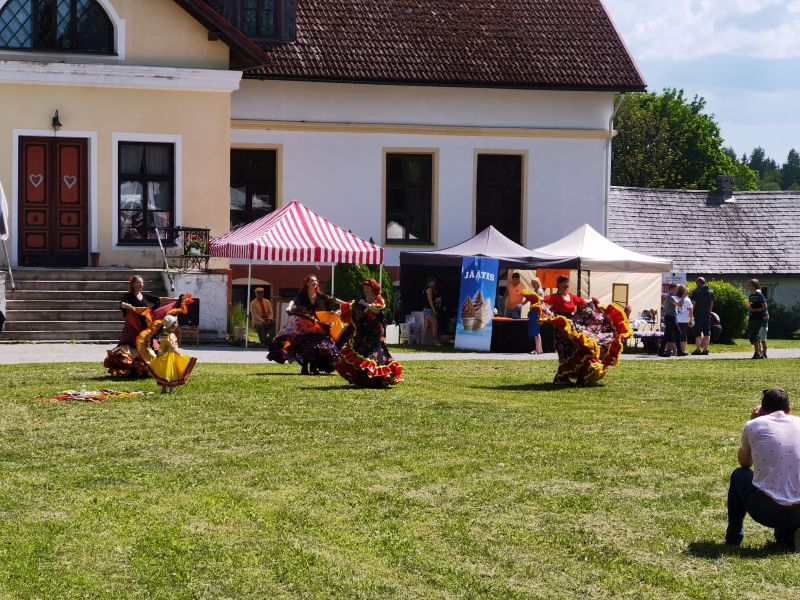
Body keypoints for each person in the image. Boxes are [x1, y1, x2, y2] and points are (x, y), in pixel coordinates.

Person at [725, 388, 800, 550]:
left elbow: (745, 463)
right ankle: (788, 537)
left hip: (768, 511)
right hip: (798, 513)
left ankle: (733, 537)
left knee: (739, 475)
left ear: (763, 410)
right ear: (789, 409)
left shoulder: (753, 425)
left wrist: (754, 422)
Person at [536, 275, 631, 385]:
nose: (566, 284)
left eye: (567, 282)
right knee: (564, 352)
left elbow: (583, 303)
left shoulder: (571, 297)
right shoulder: (554, 297)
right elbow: (542, 301)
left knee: (577, 349)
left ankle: (580, 373)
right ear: (558, 284)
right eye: (563, 282)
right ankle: (562, 377)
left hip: (571, 328)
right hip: (561, 329)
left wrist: (592, 302)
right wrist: (538, 301)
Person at [267, 275, 343, 375]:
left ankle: (313, 367)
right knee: (304, 344)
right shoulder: (303, 294)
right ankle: (304, 367)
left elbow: (332, 299)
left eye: (316, 281)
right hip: (303, 322)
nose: (315, 283)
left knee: (317, 344)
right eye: (312, 281)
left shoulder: (319, 294)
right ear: (307, 283)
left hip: (314, 322)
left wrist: (345, 303)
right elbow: (294, 300)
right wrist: (289, 307)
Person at [335, 278, 403, 388]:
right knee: (361, 353)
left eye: (368, 287)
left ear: (373, 288)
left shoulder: (378, 299)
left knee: (375, 355)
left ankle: (380, 377)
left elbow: (376, 310)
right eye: (365, 287)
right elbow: (351, 307)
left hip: (375, 332)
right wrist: (338, 303)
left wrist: (365, 304)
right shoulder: (362, 300)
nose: (366, 289)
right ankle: (364, 378)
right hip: (363, 333)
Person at [104, 275, 163, 377]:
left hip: (144, 327)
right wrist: (127, 306)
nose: (141, 284)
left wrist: (176, 300)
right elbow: (122, 304)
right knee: (131, 347)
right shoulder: (128, 296)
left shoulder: (145, 296)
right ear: (133, 284)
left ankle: (144, 369)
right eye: (139, 282)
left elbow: (159, 299)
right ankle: (131, 369)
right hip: (132, 327)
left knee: (149, 346)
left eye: (142, 282)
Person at [142, 314, 197, 393]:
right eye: (175, 323)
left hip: (172, 356)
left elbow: (175, 345)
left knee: (172, 372)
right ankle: (164, 389)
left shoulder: (172, 334)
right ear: (170, 325)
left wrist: (176, 351)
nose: (177, 325)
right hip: (166, 357)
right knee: (166, 372)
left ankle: (171, 389)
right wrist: (160, 353)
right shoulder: (165, 335)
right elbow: (162, 346)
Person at [660, 283, 686, 357]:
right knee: (673, 334)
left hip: (671, 317)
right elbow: (678, 304)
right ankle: (661, 351)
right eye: (676, 289)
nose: (677, 290)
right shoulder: (670, 297)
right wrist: (684, 295)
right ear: (671, 289)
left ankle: (678, 351)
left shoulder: (670, 297)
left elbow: (665, 305)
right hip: (670, 317)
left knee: (674, 334)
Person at [691, 277, 714, 355]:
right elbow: (711, 304)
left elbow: (693, 304)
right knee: (707, 332)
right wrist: (709, 312)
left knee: (698, 332)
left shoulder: (695, 292)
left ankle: (698, 350)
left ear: (698, 282)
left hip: (698, 314)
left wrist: (691, 314)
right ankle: (705, 349)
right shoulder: (710, 291)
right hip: (707, 314)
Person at [747, 278, 769, 359]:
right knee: (751, 334)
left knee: (754, 334)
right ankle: (758, 353)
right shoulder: (751, 295)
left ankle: (758, 353)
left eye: (749, 285)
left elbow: (765, 307)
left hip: (759, 317)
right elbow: (750, 305)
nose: (748, 286)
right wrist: (748, 306)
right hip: (752, 317)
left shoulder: (759, 295)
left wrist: (755, 310)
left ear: (753, 286)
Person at [527, 277, 544, 354]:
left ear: (538, 283)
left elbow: (541, 301)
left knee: (536, 332)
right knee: (536, 332)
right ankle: (540, 349)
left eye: (535, 283)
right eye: (532, 283)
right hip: (534, 311)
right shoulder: (536, 291)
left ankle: (538, 350)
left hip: (536, 312)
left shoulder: (539, 291)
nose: (533, 285)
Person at [422, 276, 442, 345]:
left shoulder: (427, 289)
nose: (435, 283)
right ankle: (435, 340)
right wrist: (434, 310)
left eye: (435, 281)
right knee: (435, 325)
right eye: (434, 281)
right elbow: (430, 300)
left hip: (426, 309)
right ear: (430, 282)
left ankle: (425, 342)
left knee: (426, 326)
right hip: (429, 309)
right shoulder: (429, 289)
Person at [675, 284, 693, 356]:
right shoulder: (687, 299)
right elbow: (691, 310)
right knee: (683, 335)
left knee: (674, 335)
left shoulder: (674, 298)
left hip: (676, 319)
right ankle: (683, 350)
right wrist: (691, 319)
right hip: (684, 320)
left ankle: (674, 350)